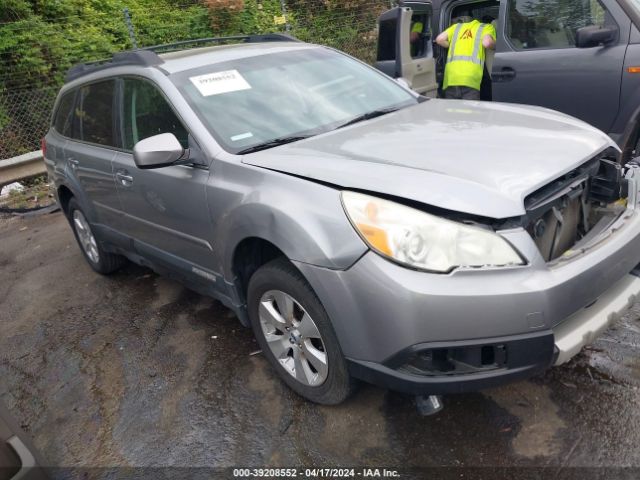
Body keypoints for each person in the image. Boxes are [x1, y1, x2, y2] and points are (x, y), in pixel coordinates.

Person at [435, 18, 496, 100]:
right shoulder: (486, 27)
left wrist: (453, 45)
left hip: (451, 78)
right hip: (470, 79)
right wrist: (496, 45)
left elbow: (439, 39)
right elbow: (487, 43)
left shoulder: (456, 27)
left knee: (452, 112)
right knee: (469, 111)